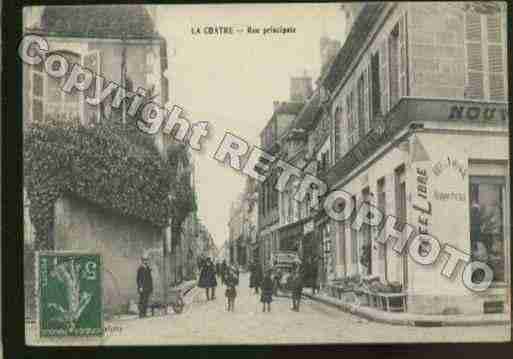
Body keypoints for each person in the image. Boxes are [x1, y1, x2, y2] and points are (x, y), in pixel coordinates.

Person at [136, 254, 153, 318]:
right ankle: (141, 314)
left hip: (147, 287)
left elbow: (150, 279)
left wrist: (151, 287)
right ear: (142, 261)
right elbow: (138, 279)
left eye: (146, 260)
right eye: (144, 260)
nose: (145, 261)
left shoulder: (148, 268)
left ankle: (144, 313)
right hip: (142, 288)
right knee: (142, 300)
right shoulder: (140, 269)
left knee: (146, 301)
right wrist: (140, 287)